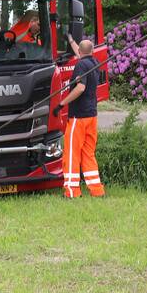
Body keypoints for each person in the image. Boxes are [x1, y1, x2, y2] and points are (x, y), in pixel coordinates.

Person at [53, 39, 105, 198]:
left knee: (71, 153)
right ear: (92, 51)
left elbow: (80, 88)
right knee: (88, 153)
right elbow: (81, 52)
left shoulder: (81, 65)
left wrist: (61, 104)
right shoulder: (94, 62)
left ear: (80, 53)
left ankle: (71, 191)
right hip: (92, 116)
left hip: (78, 117)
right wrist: (70, 39)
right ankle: (97, 190)